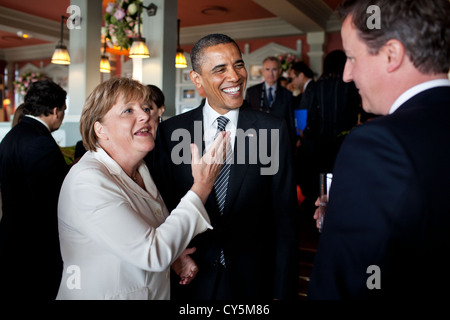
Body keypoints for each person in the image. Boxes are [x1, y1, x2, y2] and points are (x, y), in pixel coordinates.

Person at [308, 0, 450, 299]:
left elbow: (344, 279)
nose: (347, 74)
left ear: (391, 55)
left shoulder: (378, 143)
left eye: (351, 57)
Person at [149, 33, 299, 300]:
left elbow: (284, 216)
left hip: (253, 280)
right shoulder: (171, 132)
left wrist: (282, 290)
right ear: (197, 80)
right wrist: (173, 255)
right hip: (189, 277)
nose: (235, 76)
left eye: (238, 65)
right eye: (220, 69)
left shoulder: (272, 129)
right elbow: (161, 206)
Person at [56, 77, 228, 300]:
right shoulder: (88, 180)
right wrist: (202, 185)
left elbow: (145, 234)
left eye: (146, 108)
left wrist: (173, 255)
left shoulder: (141, 169)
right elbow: (152, 252)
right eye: (128, 110)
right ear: (100, 129)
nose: (146, 115)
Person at [0, 79, 69, 300]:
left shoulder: (12, 136)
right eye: (64, 111)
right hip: (36, 244)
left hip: (11, 236)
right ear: (56, 111)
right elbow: (56, 197)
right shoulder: (40, 141)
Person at [245, 56, 297, 152]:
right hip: (257, 143)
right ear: (262, 71)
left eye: (274, 69)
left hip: (280, 143)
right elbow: (247, 119)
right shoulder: (252, 92)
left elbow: (290, 122)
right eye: (267, 69)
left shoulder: (287, 94)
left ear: (280, 71)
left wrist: (292, 146)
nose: (271, 73)